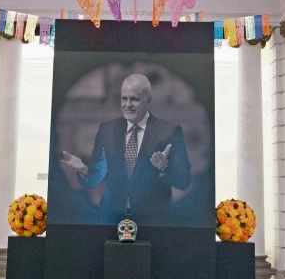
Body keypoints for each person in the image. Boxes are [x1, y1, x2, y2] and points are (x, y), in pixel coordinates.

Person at [60, 74, 191, 225]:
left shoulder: (169, 131)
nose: (127, 104)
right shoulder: (106, 129)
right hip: (111, 219)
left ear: (148, 100)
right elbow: (96, 176)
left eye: (134, 99)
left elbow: (184, 181)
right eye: (124, 98)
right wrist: (83, 169)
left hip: (155, 221)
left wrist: (164, 167)